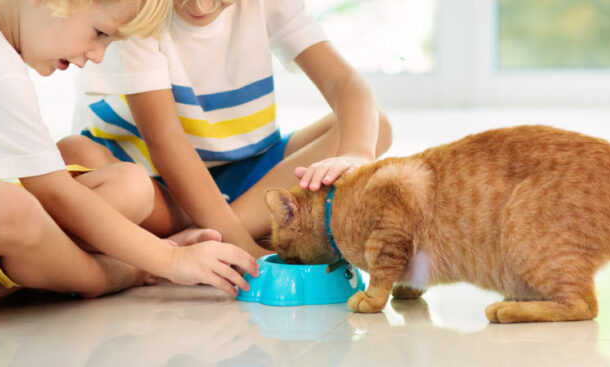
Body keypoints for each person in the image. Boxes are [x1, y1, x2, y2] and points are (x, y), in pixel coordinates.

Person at [0, 0, 258, 327]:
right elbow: (50, 192)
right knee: (12, 207)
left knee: (123, 179)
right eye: (99, 33)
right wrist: (166, 261)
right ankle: (110, 275)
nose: (97, 55)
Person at [58, 0, 393, 257]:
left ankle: (193, 238)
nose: (201, 6)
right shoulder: (139, 11)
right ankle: (234, 230)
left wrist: (355, 154)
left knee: (375, 126)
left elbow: (343, 81)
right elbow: (166, 144)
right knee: (80, 155)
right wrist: (245, 249)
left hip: (247, 172)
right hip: (159, 186)